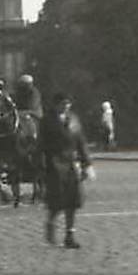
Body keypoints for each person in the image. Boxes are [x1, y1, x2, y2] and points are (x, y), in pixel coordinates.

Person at [39, 94, 93, 249]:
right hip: (54, 164)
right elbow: (41, 144)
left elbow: (81, 142)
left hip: (71, 163)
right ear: (56, 105)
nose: (66, 107)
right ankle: (51, 223)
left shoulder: (73, 120)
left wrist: (87, 164)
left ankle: (69, 235)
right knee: (57, 201)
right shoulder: (47, 121)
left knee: (73, 201)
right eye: (63, 104)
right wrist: (42, 164)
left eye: (68, 104)